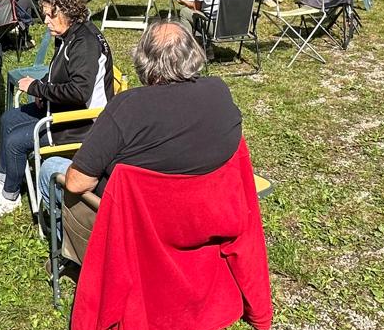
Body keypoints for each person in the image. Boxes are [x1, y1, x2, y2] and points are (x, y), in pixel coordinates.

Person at [51, 21, 244, 263]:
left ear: (144, 62)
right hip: (202, 215)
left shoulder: (126, 107)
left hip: (138, 223)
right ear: (193, 54)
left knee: (51, 169)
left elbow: (77, 183)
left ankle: (73, 258)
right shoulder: (218, 91)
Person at [0, 0, 114, 217]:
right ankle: (3, 182)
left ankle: (9, 199)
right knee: (8, 119)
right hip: (62, 107)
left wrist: (38, 87)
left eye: (51, 15)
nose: (46, 21)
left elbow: (80, 92)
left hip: (83, 122)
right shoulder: (69, 35)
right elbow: (61, 73)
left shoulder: (85, 44)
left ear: (67, 13)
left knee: (15, 142)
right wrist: (43, 90)